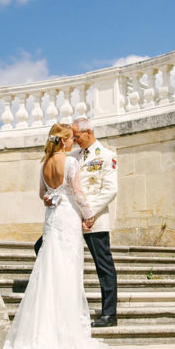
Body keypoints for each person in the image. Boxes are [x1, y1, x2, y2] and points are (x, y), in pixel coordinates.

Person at [1, 123, 110, 349]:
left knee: (50, 271)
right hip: (68, 218)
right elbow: (79, 193)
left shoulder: (44, 164)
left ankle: (45, 329)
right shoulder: (70, 163)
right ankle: (66, 332)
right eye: (70, 139)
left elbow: (43, 195)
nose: (73, 142)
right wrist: (90, 215)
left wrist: (51, 198)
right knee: (68, 272)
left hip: (52, 219)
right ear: (62, 141)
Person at [71, 116, 119, 327]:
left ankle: (109, 314)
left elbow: (109, 190)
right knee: (43, 246)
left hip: (95, 220)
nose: (74, 140)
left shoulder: (107, 156)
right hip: (73, 218)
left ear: (88, 132)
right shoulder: (74, 156)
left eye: (77, 136)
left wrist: (89, 214)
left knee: (103, 265)